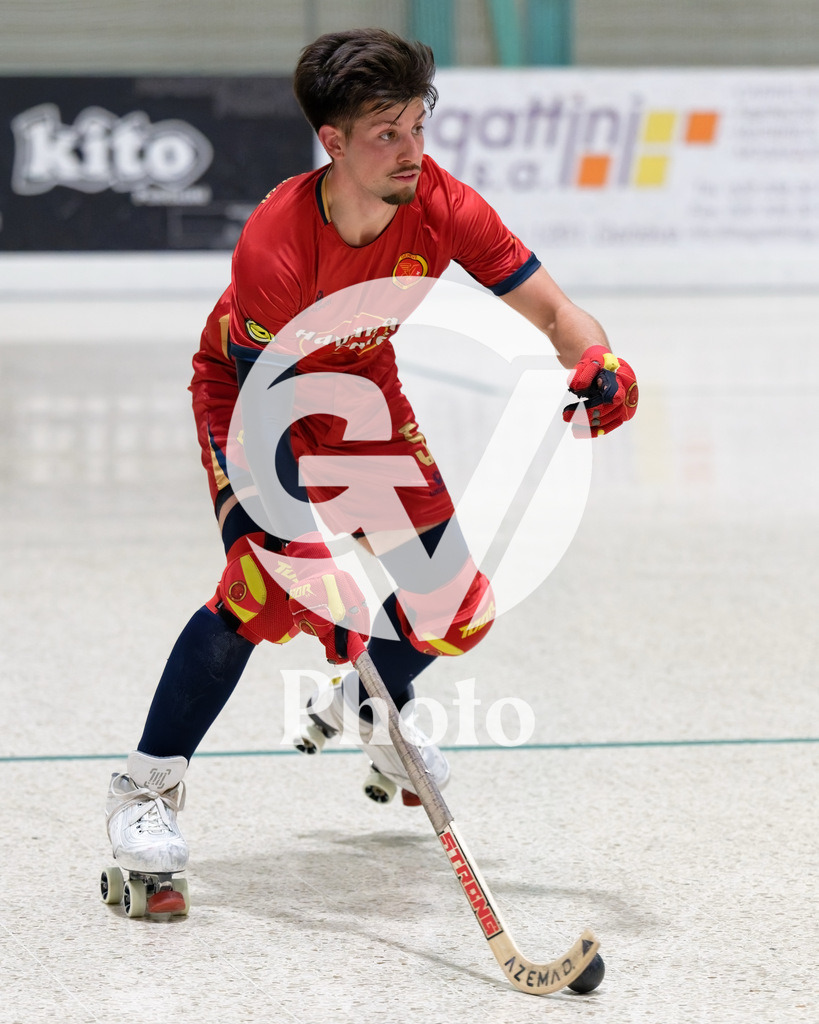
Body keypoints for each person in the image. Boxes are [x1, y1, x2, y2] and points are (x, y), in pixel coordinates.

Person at [105, 28, 638, 885]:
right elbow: (265, 416)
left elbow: (554, 312)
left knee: (455, 607)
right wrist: (302, 558)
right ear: (334, 142)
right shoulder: (276, 244)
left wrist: (600, 362)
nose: (411, 150)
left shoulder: (444, 204)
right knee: (263, 591)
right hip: (250, 400)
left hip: (359, 391)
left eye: (418, 126)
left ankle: (370, 704)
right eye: (386, 133)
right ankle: (144, 789)